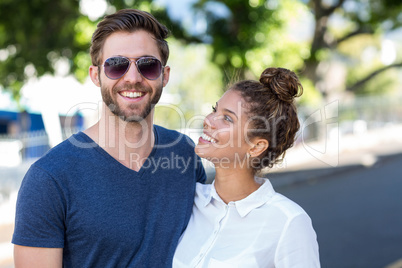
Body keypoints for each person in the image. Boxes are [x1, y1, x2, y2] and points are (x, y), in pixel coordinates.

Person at [12, 9, 206, 267]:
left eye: (148, 65)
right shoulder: (49, 178)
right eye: (117, 65)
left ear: (165, 75)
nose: (133, 78)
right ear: (96, 75)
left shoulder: (184, 153)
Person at [173, 67, 320, 267]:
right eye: (215, 109)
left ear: (257, 146)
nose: (208, 120)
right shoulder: (187, 200)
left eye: (227, 118)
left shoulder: (288, 222)